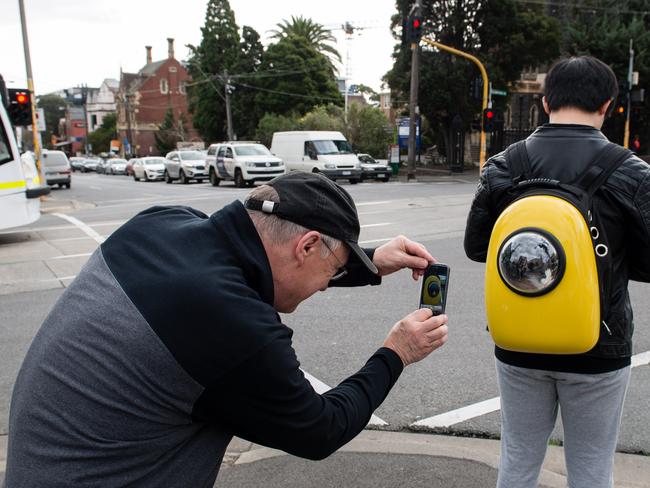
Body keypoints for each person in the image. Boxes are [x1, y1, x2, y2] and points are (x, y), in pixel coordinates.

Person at [5, 171, 449, 487]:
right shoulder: (237, 328)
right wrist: (397, 352)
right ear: (308, 244)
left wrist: (368, 262)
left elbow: (264, 260)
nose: (325, 285)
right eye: (332, 270)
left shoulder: (158, 225)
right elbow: (321, 430)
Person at [465, 56, 650, 488]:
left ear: (546, 102)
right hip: (599, 346)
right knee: (590, 469)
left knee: (517, 461)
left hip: (518, 339)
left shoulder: (501, 166)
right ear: (608, 105)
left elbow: (478, 249)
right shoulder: (632, 171)